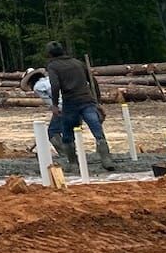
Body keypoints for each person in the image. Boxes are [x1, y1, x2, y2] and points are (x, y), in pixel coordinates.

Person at [45, 41, 116, 171]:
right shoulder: (77, 63)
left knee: (67, 134)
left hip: (70, 102)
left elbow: (55, 86)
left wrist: (55, 105)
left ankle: (73, 163)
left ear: (49, 54)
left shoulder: (53, 66)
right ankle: (106, 159)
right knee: (96, 129)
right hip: (87, 100)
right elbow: (93, 82)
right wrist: (97, 101)